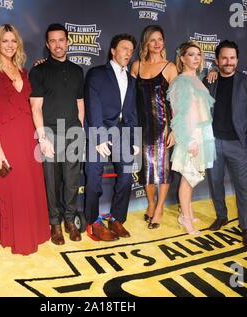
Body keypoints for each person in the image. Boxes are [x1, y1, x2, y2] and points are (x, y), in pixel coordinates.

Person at [0, 24, 50, 255]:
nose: (9, 45)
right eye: (5, 41)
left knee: (31, 187)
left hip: (28, 138)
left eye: (13, 41)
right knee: (15, 189)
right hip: (7, 140)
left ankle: (36, 233)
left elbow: (32, 106)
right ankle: (19, 238)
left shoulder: (23, 71)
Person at [29, 24, 85, 245]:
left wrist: (80, 128)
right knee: (51, 182)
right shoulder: (39, 71)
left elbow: (80, 102)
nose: (57, 45)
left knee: (71, 182)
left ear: (68, 41)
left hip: (73, 132)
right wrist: (42, 138)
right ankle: (55, 223)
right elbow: (35, 107)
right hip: (50, 133)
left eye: (61, 40)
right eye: (52, 41)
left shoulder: (77, 71)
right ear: (47, 44)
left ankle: (70, 220)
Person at [203, 40, 247, 248]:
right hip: (213, 142)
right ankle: (222, 216)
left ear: (237, 59)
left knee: (242, 188)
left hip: (238, 144)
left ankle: (246, 228)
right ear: (217, 60)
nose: (228, 62)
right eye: (224, 58)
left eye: (232, 58)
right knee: (215, 183)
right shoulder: (210, 81)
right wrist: (210, 71)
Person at [84, 34, 140, 241]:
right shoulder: (96, 74)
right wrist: (98, 137)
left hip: (123, 133)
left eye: (131, 50)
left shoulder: (132, 81)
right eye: (124, 48)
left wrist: (134, 140)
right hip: (99, 131)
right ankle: (93, 221)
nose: (128, 53)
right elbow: (93, 105)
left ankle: (117, 218)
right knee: (93, 176)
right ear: (113, 51)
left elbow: (132, 112)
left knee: (126, 177)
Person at [130, 25, 177, 229]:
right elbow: (127, 96)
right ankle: (150, 204)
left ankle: (159, 208)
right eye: (153, 40)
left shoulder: (170, 67)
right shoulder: (136, 66)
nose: (157, 44)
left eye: (160, 39)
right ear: (146, 43)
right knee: (147, 168)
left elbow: (176, 102)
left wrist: (174, 130)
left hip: (163, 126)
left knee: (163, 170)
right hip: (142, 126)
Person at [167, 40, 216, 235]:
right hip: (190, 134)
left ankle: (186, 211)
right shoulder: (181, 81)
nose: (196, 58)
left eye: (198, 55)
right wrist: (188, 140)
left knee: (193, 176)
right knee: (187, 179)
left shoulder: (197, 78)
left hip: (203, 132)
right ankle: (185, 219)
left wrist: (215, 71)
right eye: (191, 55)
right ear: (182, 58)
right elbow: (178, 114)